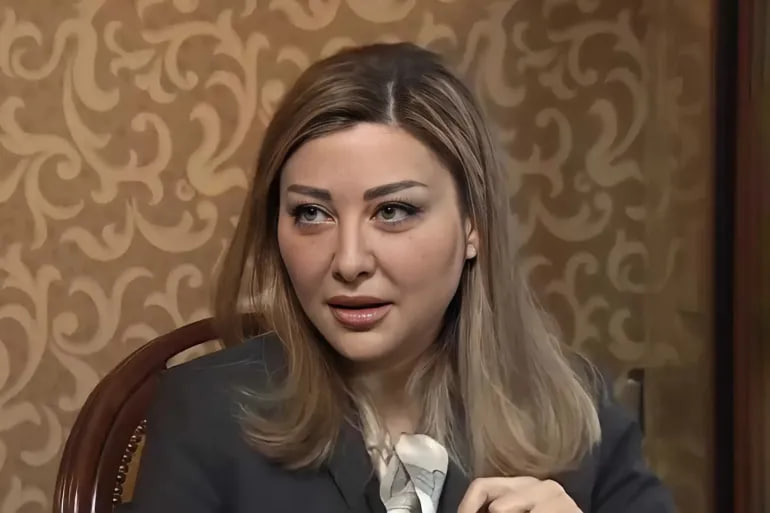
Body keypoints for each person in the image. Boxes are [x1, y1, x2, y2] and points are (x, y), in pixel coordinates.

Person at [122, 42, 674, 513]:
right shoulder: (205, 412)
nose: (349, 261)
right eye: (312, 213)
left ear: (473, 224)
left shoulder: (579, 408)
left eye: (393, 211)